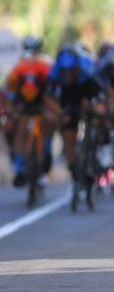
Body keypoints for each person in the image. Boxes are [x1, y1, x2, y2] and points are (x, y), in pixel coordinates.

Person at [47, 45, 107, 177]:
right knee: (67, 131)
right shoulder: (54, 73)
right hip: (67, 97)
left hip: (86, 91)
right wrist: (61, 113)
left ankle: (101, 146)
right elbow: (48, 97)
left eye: (71, 71)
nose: (68, 75)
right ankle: (73, 165)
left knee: (100, 112)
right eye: (64, 71)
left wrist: (95, 107)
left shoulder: (87, 71)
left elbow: (101, 94)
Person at [4, 35, 54, 187]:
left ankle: (44, 164)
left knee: (48, 127)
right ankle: (19, 168)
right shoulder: (18, 65)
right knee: (19, 131)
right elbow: (10, 89)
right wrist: (11, 106)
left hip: (42, 102)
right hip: (23, 104)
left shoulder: (46, 64)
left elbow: (52, 87)